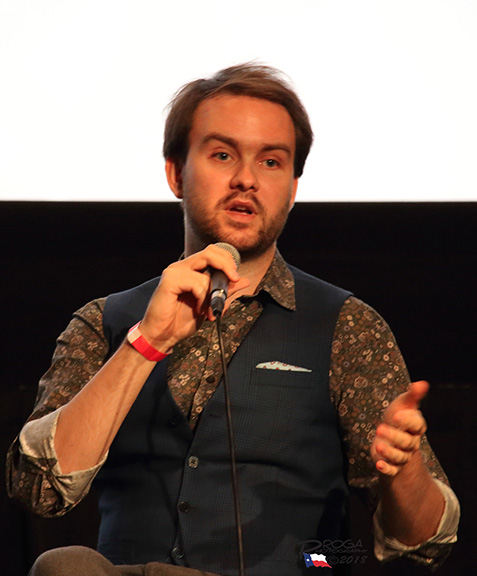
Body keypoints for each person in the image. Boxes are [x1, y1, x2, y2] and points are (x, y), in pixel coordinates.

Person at [7, 64, 459, 576]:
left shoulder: (347, 326)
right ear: (176, 173)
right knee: (64, 565)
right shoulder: (105, 321)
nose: (246, 178)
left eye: (271, 161)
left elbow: (425, 547)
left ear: (291, 188)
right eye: (223, 155)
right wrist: (146, 342)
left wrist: (404, 472)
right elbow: (36, 489)